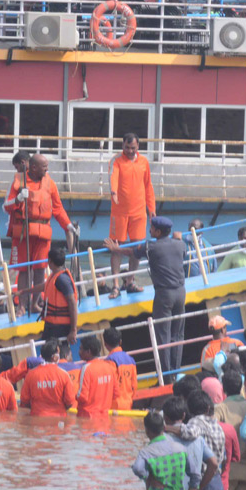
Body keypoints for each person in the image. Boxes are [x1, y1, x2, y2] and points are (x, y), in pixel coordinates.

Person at [106, 216, 187, 380]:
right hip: (181, 292)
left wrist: (116, 249)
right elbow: (181, 249)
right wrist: (177, 238)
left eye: (151, 229)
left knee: (163, 335)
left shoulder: (152, 246)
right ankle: (175, 371)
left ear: (157, 231)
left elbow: (133, 252)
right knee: (177, 334)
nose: (149, 231)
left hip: (164, 295)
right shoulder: (180, 244)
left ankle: (165, 376)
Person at [4, 154, 77, 311]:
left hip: (43, 232)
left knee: (40, 268)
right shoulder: (19, 181)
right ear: (34, 167)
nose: (47, 169)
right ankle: (22, 305)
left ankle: (35, 303)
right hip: (24, 232)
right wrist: (17, 199)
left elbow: (57, 208)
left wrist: (68, 225)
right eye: (44, 167)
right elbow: (6, 206)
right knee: (24, 270)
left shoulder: (50, 183)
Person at [107, 133, 155, 297]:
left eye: (132, 148)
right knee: (116, 248)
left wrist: (152, 209)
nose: (129, 150)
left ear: (138, 147)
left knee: (137, 248)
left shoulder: (144, 162)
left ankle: (130, 281)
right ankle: (115, 285)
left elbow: (148, 187)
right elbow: (114, 177)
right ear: (122, 146)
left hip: (139, 213)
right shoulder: (117, 161)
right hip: (119, 213)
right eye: (126, 147)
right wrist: (113, 191)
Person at [19, 339, 78, 417]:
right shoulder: (63, 375)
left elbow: (24, 401)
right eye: (58, 353)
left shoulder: (30, 375)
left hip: (38, 419)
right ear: (54, 357)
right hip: (59, 421)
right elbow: (70, 402)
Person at [75, 335, 117, 418]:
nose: (79, 352)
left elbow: (82, 396)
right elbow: (116, 393)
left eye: (81, 349)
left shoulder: (86, 369)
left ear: (88, 352)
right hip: (105, 417)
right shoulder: (109, 367)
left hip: (88, 417)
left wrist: (74, 396)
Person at [103, 326, 137, 410]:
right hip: (128, 403)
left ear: (105, 344)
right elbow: (134, 385)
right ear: (120, 342)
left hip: (114, 405)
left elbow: (109, 385)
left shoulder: (109, 361)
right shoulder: (131, 360)